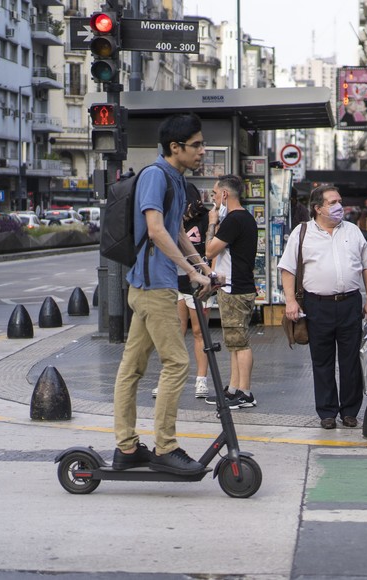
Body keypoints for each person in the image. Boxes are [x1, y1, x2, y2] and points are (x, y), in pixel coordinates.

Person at [111, 113, 212, 475]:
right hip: (154, 287)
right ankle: (165, 447)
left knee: (132, 368)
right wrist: (190, 273)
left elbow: (176, 230)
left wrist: (202, 266)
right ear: (175, 147)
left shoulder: (175, 179)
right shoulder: (155, 176)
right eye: (196, 145)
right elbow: (155, 230)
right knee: (177, 363)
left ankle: (126, 447)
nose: (202, 150)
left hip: (152, 286)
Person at [278, 184, 367, 429]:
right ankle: (327, 412)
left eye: (339, 201)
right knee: (321, 361)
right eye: (332, 202)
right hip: (317, 305)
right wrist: (290, 301)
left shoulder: (353, 231)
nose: (338, 206)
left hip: (350, 304)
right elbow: (288, 269)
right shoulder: (302, 233)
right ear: (318, 208)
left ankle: (350, 411)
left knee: (351, 360)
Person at [152, 181, 210, 400]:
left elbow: (210, 249)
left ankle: (201, 380)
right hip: (172, 281)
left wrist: (212, 225)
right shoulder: (170, 219)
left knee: (199, 332)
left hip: (195, 283)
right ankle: (167, 380)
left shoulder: (204, 219)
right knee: (174, 332)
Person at [204, 175, 259, 409]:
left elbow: (209, 250)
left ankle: (245, 392)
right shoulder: (243, 218)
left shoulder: (233, 220)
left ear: (225, 195)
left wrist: (212, 222)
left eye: (215, 194)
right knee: (235, 342)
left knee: (241, 342)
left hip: (236, 289)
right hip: (236, 287)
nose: (214, 199)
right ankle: (234, 388)